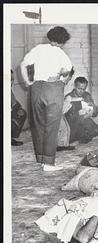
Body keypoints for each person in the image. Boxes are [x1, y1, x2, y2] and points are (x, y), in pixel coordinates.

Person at [20, 26, 73, 171]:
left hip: (36, 89)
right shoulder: (60, 53)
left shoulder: (38, 49)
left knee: (38, 125)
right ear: (62, 41)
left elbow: (23, 64)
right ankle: (48, 163)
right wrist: (62, 78)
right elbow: (67, 70)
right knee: (51, 127)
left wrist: (27, 82)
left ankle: (41, 159)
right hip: (53, 88)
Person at [57, 77, 98, 151]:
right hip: (72, 123)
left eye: (84, 89)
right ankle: (73, 139)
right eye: (79, 88)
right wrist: (80, 114)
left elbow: (96, 112)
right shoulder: (69, 97)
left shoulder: (87, 95)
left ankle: (79, 140)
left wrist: (92, 110)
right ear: (75, 86)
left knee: (96, 130)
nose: (81, 91)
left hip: (84, 120)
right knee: (69, 136)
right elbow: (67, 117)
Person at [11, 70, 27, 146]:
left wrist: (19, 108)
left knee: (22, 113)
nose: (11, 82)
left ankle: (11, 138)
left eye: (12, 80)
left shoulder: (9, 90)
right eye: (9, 79)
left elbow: (14, 103)